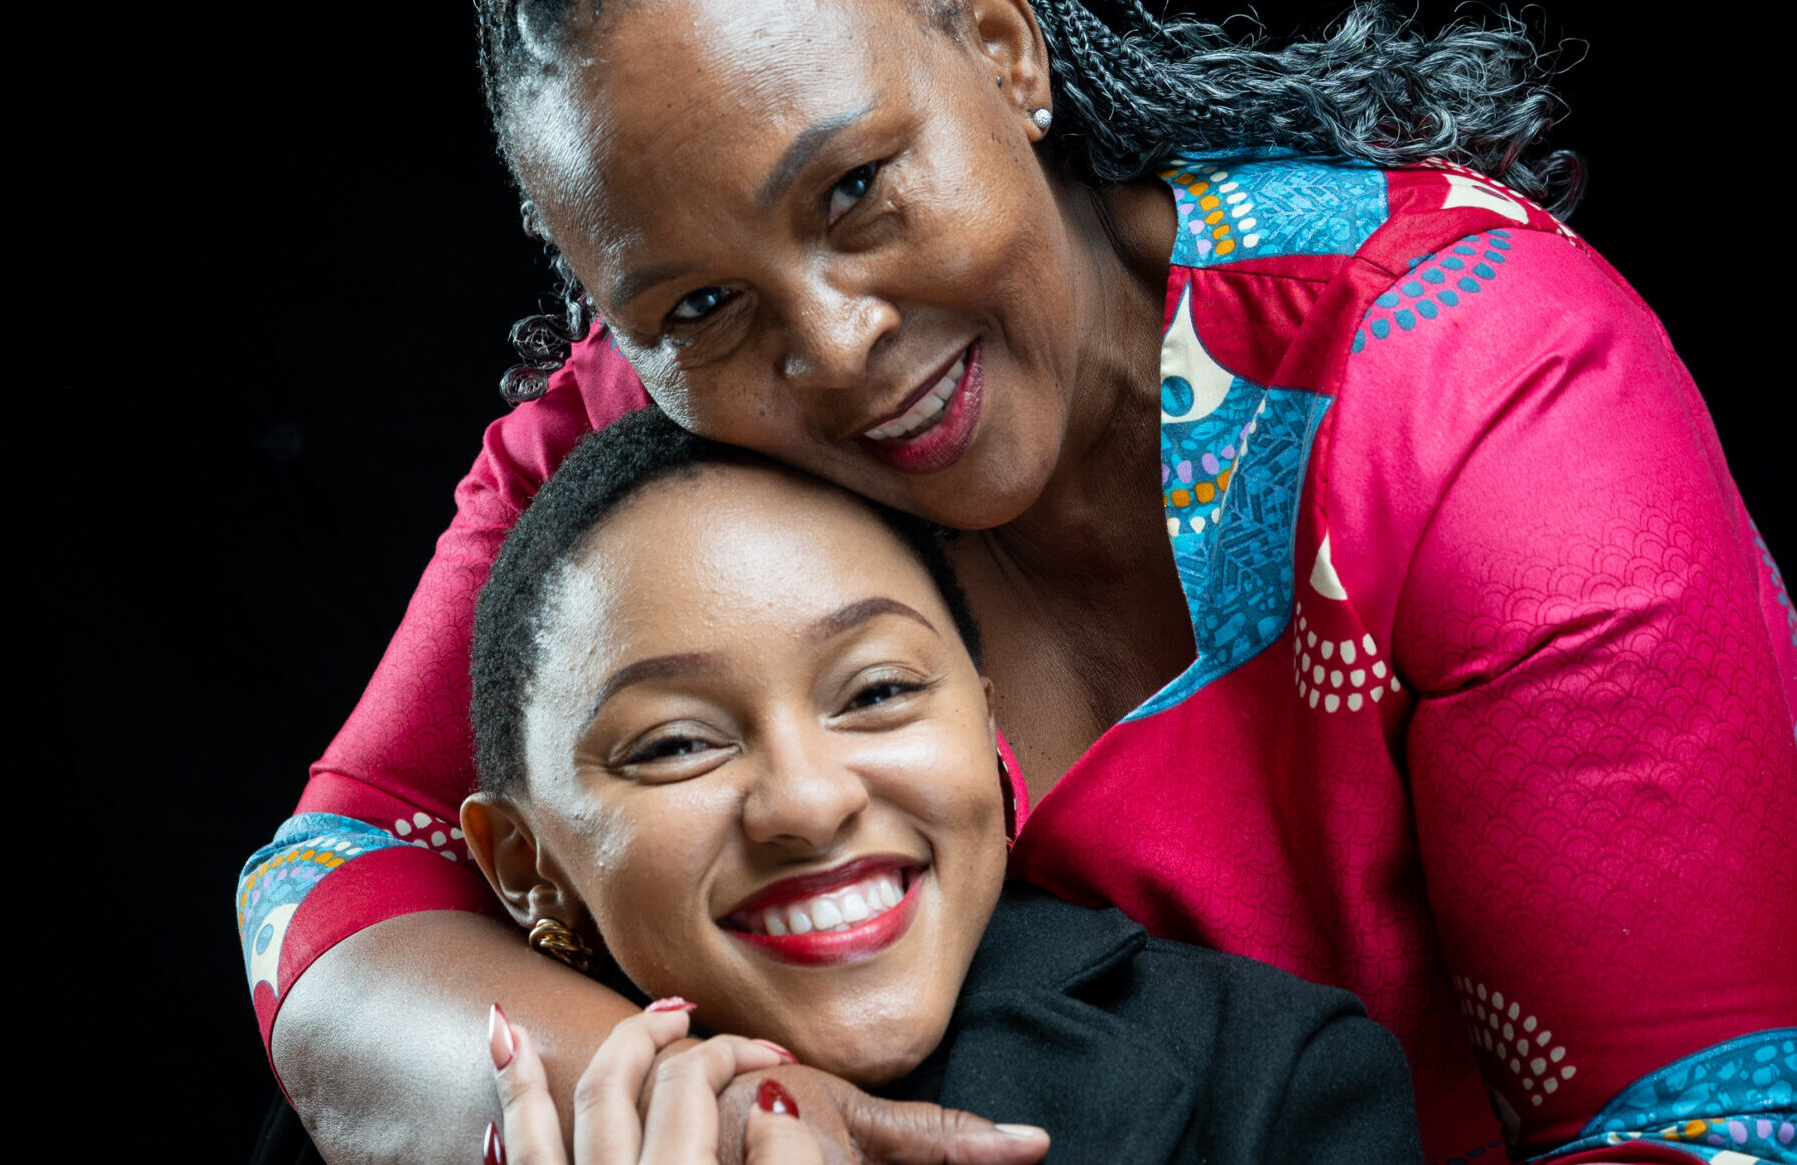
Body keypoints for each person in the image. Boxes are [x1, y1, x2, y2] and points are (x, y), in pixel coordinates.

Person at [235, 2, 1797, 1162]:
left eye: (853, 189)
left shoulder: (1474, 400)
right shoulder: (662, 419)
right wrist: (738, 1125)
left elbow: (1706, 1134)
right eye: (700, 299)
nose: (834, 346)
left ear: (1001, 48)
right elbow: (327, 887)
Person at [457, 406, 1423, 1163]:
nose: (808, 800)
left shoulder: (1278, 1081)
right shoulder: (406, 1117)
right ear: (526, 864)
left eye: (877, 690)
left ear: (986, 728)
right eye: (674, 744)